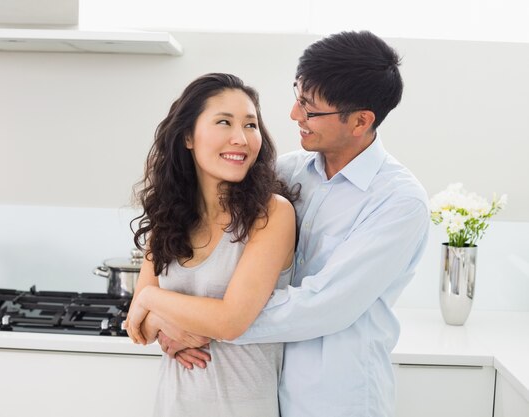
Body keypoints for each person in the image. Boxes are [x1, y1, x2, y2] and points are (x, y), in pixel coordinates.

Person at [135, 31, 430, 417]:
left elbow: (323, 306)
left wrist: (192, 319)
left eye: (310, 109)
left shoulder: (398, 202)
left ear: (360, 121)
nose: (295, 116)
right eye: (298, 97)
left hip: (334, 398)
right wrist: (167, 323)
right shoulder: (286, 172)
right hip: (261, 383)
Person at [125, 72, 298, 417]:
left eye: (251, 125)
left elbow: (230, 321)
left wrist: (152, 300)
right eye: (224, 122)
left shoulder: (272, 214)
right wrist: (163, 324)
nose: (241, 138)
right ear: (188, 136)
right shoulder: (168, 216)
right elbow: (137, 329)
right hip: (173, 405)